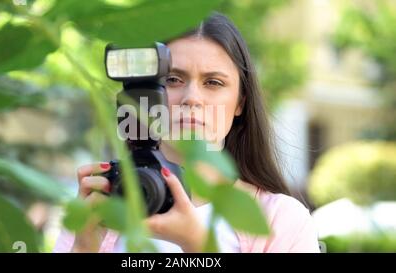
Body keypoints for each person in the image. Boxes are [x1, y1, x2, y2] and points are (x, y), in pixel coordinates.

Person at [53, 12, 320, 253]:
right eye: (172, 80)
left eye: (213, 82)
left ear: (240, 102)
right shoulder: (101, 205)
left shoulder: (282, 220)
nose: (191, 98)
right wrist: (84, 246)